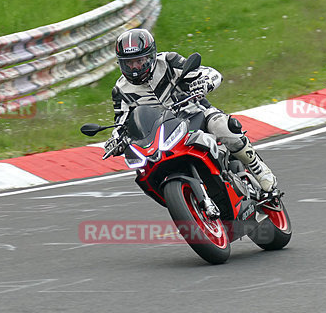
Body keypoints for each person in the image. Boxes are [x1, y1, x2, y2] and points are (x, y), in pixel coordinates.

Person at [103, 28, 277, 192]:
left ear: (151, 56)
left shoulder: (169, 62)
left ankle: (259, 169)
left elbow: (209, 73)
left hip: (195, 114)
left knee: (223, 127)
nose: (134, 68)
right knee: (143, 168)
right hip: (161, 135)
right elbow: (121, 122)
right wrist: (116, 140)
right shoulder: (120, 90)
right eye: (129, 63)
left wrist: (204, 83)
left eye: (139, 61)